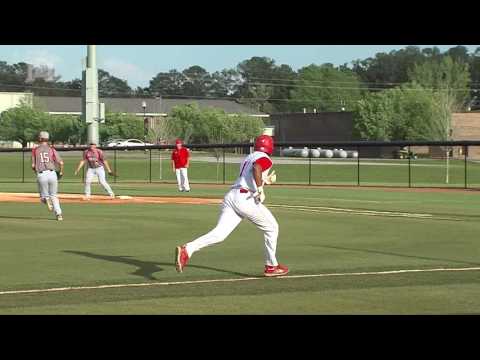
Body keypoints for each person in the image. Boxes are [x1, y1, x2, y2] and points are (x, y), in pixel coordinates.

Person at [175, 134, 288, 277]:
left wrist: (265, 180)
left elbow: (252, 172)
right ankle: (272, 266)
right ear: (269, 146)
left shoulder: (249, 157)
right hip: (245, 198)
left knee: (219, 234)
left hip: (232, 196)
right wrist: (260, 188)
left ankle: (187, 249)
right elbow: (257, 168)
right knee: (272, 228)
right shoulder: (265, 158)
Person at [31, 131, 64, 221]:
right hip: (52, 173)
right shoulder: (52, 149)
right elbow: (61, 162)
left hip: (41, 174)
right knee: (54, 195)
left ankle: (46, 199)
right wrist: (60, 172)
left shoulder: (35, 150)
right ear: (47, 139)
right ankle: (59, 214)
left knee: (43, 197)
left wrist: (37, 172)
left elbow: (33, 166)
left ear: (40, 139)